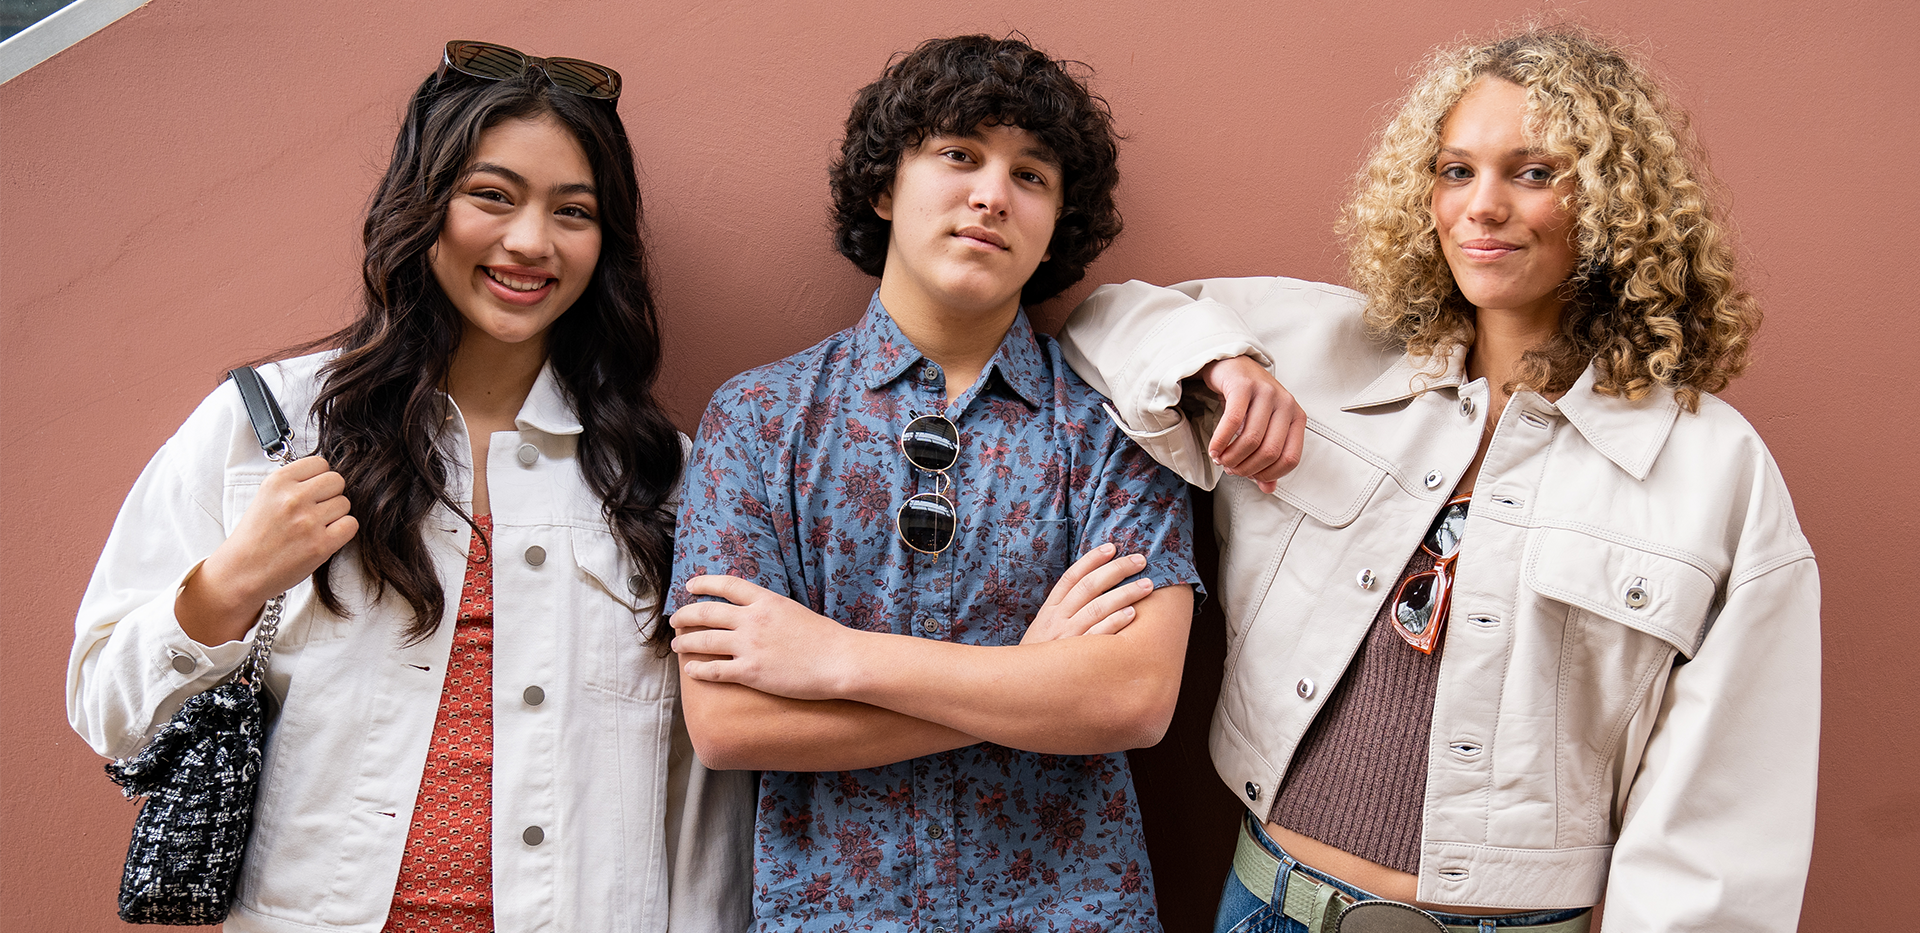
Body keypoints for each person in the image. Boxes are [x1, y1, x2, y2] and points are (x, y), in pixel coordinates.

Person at [1059, 26, 1819, 933]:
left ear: (1616, 205)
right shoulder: (1319, 348)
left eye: (1533, 172)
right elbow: (1105, 322)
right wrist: (1218, 366)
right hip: (1267, 906)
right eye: (1456, 171)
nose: (1481, 207)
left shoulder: (1713, 470)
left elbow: (1720, 831)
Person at [66, 40, 751, 932]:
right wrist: (231, 581)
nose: (530, 242)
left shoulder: (662, 479)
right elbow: (103, 707)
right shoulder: (270, 426)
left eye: (572, 211)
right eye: (492, 196)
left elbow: (696, 797)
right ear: (424, 205)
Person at [665, 35, 1200, 930]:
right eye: (959, 155)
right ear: (885, 186)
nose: (992, 194)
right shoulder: (760, 418)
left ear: (1056, 224)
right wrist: (1031, 681)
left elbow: (1130, 698)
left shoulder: (1117, 426)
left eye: (1032, 175)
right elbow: (729, 724)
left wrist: (837, 659)